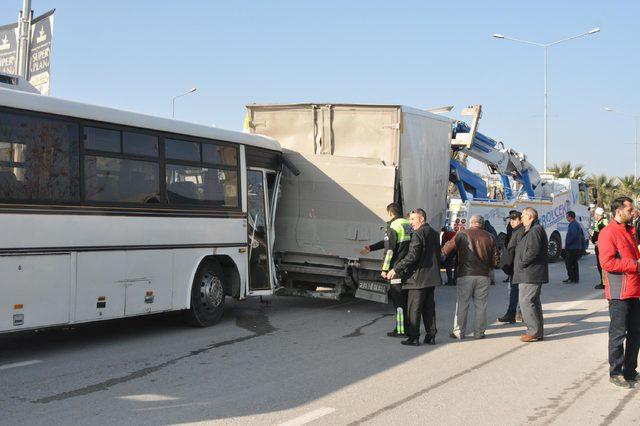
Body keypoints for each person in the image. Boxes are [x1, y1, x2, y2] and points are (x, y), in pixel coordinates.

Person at [598, 196, 640, 388]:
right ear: (619, 211)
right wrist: (635, 265)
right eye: (630, 210)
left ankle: (630, 371)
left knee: (636, 333)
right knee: (618, 334)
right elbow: (607, 263)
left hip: (635, 291)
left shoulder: (631, 231)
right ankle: (615, 372)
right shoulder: (608, 233)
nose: (633, 212)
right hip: (619, 293)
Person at [386, 209, 442, 346]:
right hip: (431, 278)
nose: (410, 223)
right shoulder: (434, 233)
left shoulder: (418, 233)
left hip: (418, 279)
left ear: (422, 219)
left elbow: (412, 256)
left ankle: (414, 337)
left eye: (413, 219)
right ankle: (431, 336)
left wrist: (396, 268)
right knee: (429, 308)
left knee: (414, 309)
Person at [442, 214, 500, 340]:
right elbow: (496, 260)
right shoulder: (490, 236)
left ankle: (458, 332)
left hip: (465, 274)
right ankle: (479, 333)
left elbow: (447, 249)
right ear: (482, 224)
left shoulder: (462, 234)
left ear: (471, 223)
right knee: (481, 306)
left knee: (462, 304)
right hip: (484, 275)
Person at [361, 203, 412, 337]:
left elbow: (389, 250)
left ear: (390, 213)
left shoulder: (393, 226)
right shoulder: (407, 224)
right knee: (405, 301)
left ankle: (401, 330)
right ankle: (408, 327)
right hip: (406, 268)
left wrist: (384, 269)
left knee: (398, 302)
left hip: (395, 270)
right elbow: (390, 242)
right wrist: (371, 247)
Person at [513, 207, 549, 342]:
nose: (521, 218)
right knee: (533, 301)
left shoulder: (536, 230)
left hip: (531, 273)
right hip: (529, 272)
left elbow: (533, 251)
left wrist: (522, 263)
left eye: (523, 216)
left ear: (530, 217)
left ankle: (533, 331)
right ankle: (537, 331)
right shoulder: (531, 230)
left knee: (526, 301)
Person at [498, 210, 524, 323]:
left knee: (519, 291)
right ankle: (513, 313)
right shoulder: (515, 230)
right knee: (515, 291)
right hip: (514, 267)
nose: (511, 221)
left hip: (518, 267)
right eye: (510, 219)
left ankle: (518, 314)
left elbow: (515, 250)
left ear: (520, 220)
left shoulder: (521, 231)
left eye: (514, 219)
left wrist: (507, 264)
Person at [563, 210, 583, 284]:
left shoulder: (573, 224)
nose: (566, 218)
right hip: (575, 247)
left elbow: (573, 236)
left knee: (569, 264)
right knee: (574, 263)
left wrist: (567, 243)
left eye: (567, 216)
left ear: (570, 217)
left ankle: (571, 278)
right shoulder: (574, 224)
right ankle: (575, 278)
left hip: (572, 248)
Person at [591, 207, 608, 290]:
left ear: (598, 215)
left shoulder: (603, 222)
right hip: (598, 246)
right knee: (600, 265)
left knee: (602, 266)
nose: (594, 216)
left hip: (601, 247)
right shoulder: (599, 222)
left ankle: (604, 283)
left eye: (595, 214)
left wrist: (597, 240)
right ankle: (603, 282)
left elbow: (603, 233)